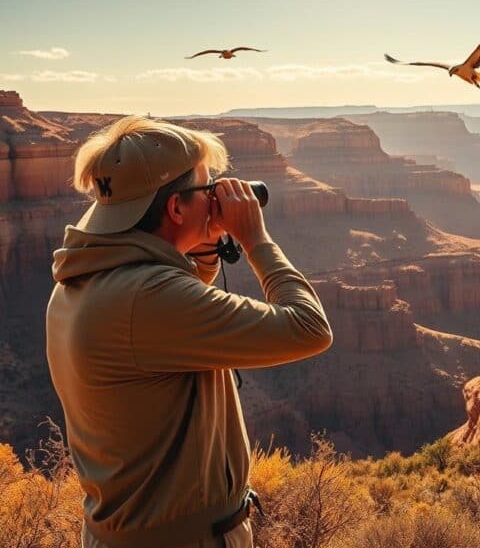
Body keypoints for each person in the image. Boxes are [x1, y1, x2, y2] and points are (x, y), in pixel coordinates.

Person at [45, 116, 333, 548]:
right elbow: (309, 327)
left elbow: (166, 332)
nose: (216, 196)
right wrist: (255, 240)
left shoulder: (84, 280)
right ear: (176, 207)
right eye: (206, 188)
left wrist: (197, 251)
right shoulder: (146, 299)